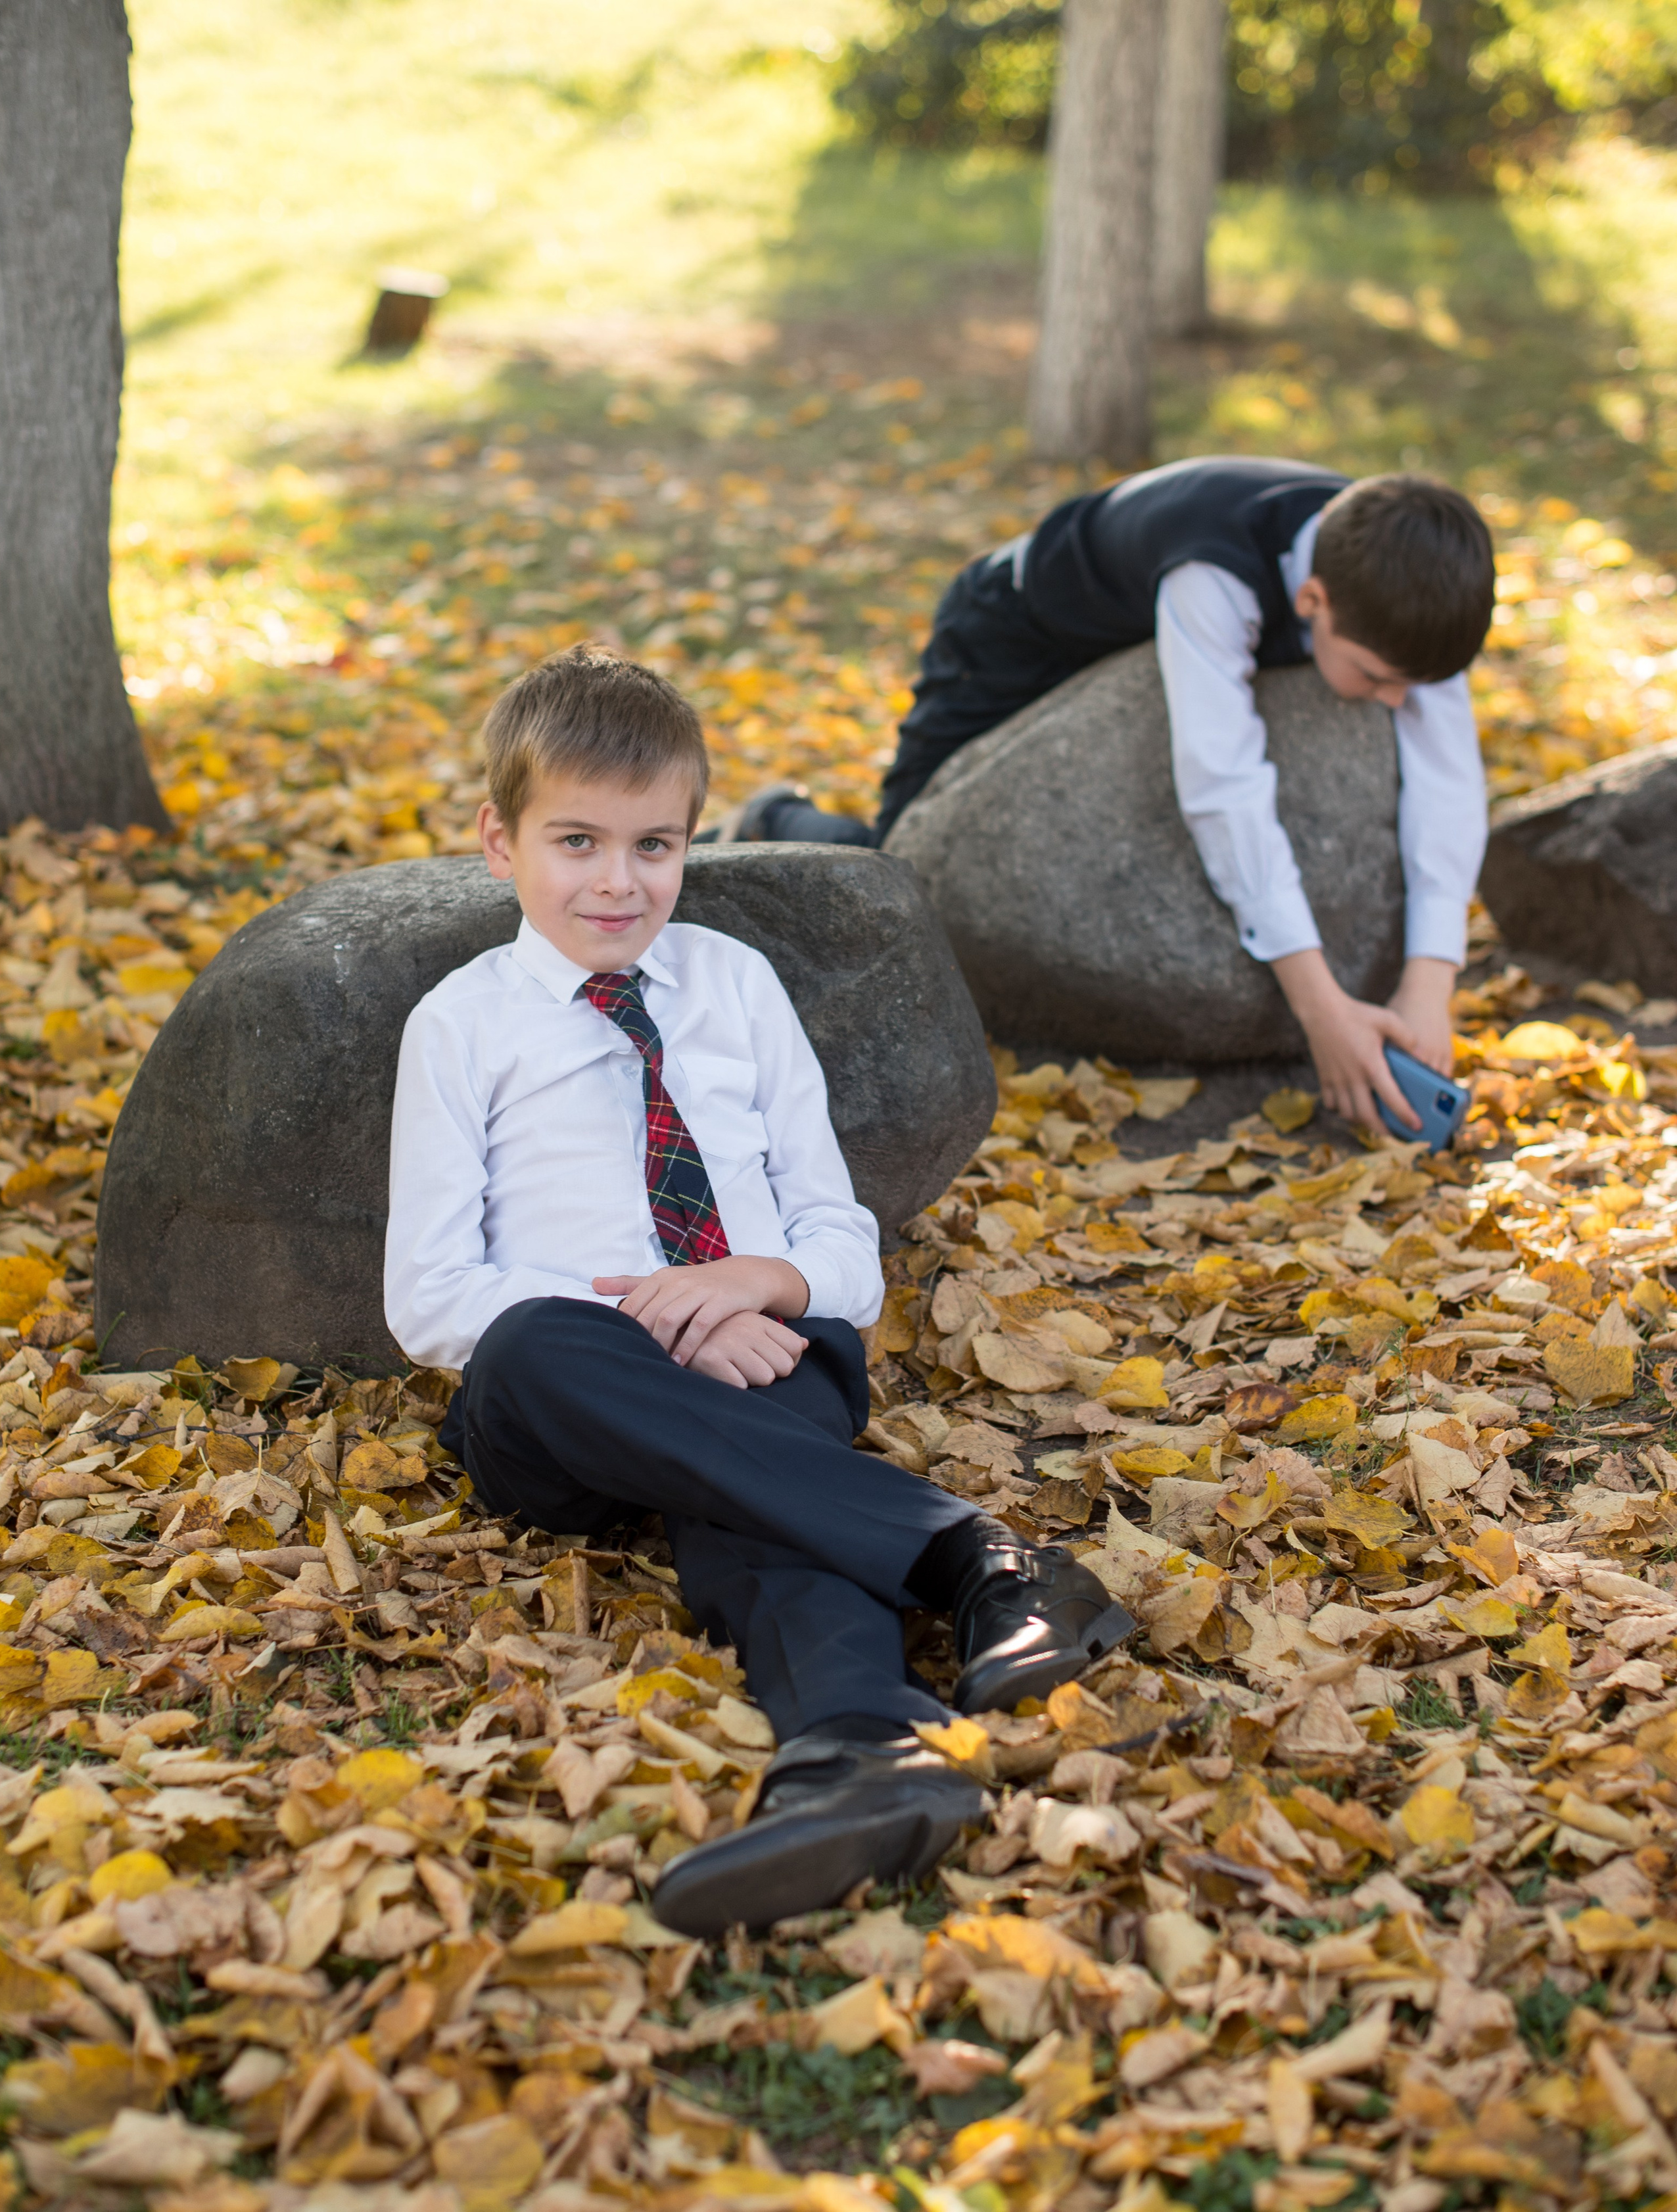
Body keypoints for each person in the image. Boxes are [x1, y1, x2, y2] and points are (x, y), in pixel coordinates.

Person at [384, 642, 1133, 1936]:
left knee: (747, 1483)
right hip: (570, 1398)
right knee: (525, 1347)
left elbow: (840, 1237)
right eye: (576, 842)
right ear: (497, 844)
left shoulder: (734, 986)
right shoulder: (460, 1025)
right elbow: (430, 1292)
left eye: (653, 846)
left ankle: (859, 1751)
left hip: (768, 1350)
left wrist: (755, 1282)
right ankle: (975, 1557)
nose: (617, 881)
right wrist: (660, 1311)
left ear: (688, 843)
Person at [711, 457, 1496, 1138]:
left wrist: (1429, 983)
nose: (1395, 704)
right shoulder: (1213, 572)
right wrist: (1320, 1008)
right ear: (1313, 601)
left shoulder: (1402, 579)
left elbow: (1448, 780)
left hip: (1124, 642)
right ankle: (777, 818)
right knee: (902, 864)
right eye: (1376, 678)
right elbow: (1223, 789)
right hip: (1012, 635)